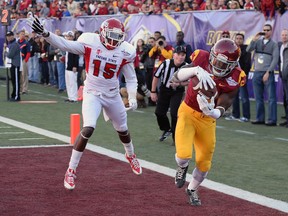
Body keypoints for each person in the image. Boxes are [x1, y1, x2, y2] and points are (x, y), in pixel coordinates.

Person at [28, 15, 142, 190]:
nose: (114, 40)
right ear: (103, 33)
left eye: (118, 37)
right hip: (92, 92)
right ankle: (71, 170)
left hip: (112, 94)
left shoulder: (125, 51)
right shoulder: (91, 41)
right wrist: (45, 33)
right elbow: (64, 44)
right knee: (88, 127)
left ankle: (131, 155)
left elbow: (131, 78)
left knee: (123, 129)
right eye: (111, 35)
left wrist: (132, 97)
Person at [170, 38, 245, 206]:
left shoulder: (236, 75)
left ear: (233, 64)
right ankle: (182, 167)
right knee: (183, 155)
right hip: (188, 112)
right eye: (216, 60)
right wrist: (195, 70)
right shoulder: (201, 58)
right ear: (211, 55)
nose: (217, 65)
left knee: (204, 162)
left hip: (207, 120)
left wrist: (214, 112)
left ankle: (192, 189)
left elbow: (228, 99)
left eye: (223, 63)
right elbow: (177, 76)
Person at [150, 45, 188, 144]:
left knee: (174, 114)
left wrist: (179, 84)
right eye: (179, 54)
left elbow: (191, 82)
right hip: (164, 90)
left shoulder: (187, 66)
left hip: (177, 91)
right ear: (174, 55)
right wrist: (153, 91)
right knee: (159, 112)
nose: (181, 57)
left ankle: (176, 138)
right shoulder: (165, 63)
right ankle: (166, 129)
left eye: (183, 55)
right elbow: (156, 77)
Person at [246, 24, 279, 126]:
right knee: (258, 97)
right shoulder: (258, 42)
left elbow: (275, 59)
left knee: (271, 98)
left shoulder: (274, 44)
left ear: (271, 31)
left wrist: (268, 72)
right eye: (264, 30)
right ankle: (260, 118)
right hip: (256, 72)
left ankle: (272, 120)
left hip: (267, 73)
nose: (265, 32)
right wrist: (254, 39)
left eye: (268, 30)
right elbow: (248, 50)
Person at [226, 33, 252, 122]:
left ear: (243, 40)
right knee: (234, 96)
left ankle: (246, 116)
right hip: (234, 76)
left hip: (242, 76)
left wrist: (243, 74)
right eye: (237, 38)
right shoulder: (232, 50)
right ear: (234, 40)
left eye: (240, 38)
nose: (238, 40)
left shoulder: (246, 50)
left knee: (244, 96)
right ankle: (235, 115)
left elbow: (248, 64)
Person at [4, 31, 21, 101]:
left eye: (9, 36)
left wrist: (5, 51)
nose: (8, 37)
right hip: (12, 64)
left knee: (16, 81)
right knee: (14, 81)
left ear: (12, 36)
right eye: (7, 36)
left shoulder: (14, 44)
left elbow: (10, 55)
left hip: (15, 64)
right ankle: (14, 95)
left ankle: (17, 96)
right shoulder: (11, 44)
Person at [279, 29, 288, 127]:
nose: (284, 36)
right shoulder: (281, 46)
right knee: (286, 99)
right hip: (284, 75)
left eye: (286, 35)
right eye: (283, 35)